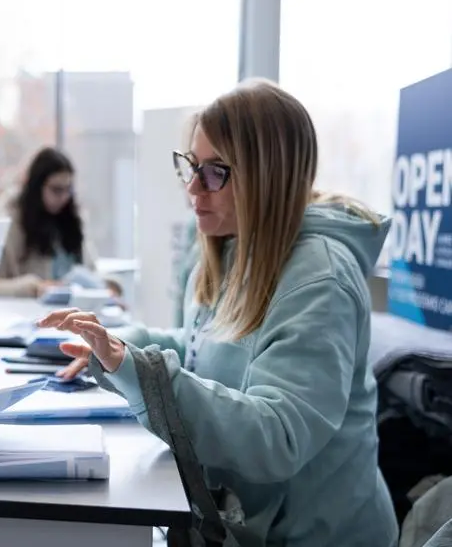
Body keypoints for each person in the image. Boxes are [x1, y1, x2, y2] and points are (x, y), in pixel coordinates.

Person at [39, 79, 398, 546]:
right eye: (190, 165)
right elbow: (197, 349)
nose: (193, 187)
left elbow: (278, 435)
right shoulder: (228, 249)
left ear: (267, 176)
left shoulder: (321, 280)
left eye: (215, 172)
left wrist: (134, 368)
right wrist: (113, 342)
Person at [0, 146, 117, 298]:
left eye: (68, 190)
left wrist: (107, 288)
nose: (64, 197)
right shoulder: (12, 226)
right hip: (31, 315)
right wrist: (32, 287)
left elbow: (90, 272)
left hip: (75, 314)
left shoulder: (71, 223)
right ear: (37, 186)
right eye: (56, 189)